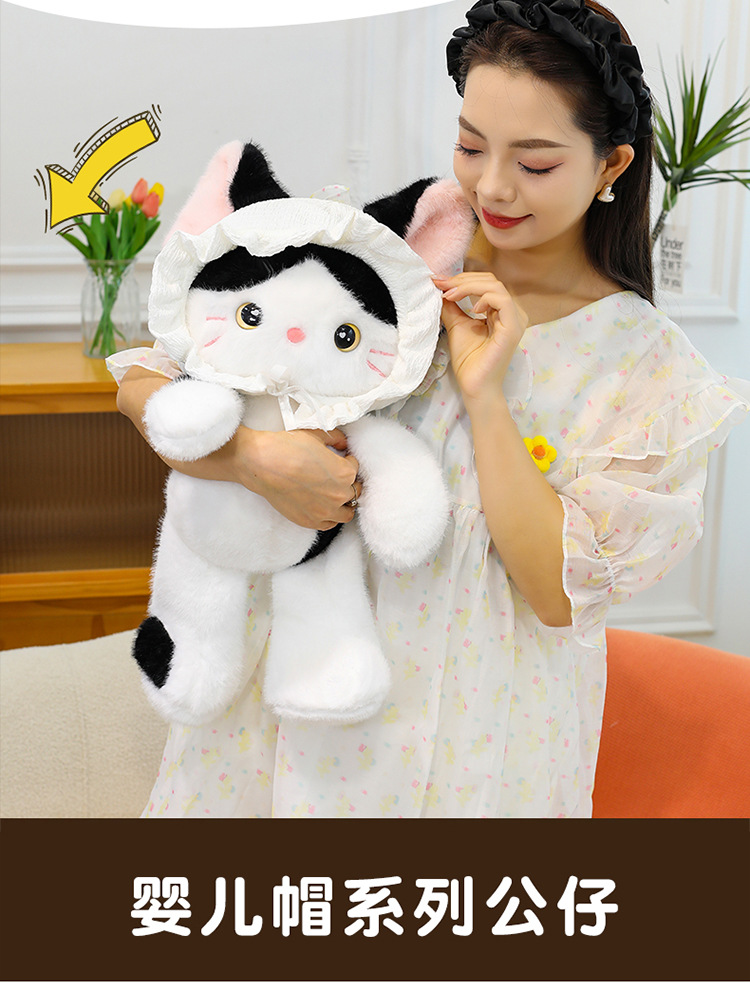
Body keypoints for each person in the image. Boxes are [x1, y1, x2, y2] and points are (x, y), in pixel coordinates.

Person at [114, 0, 749, 817]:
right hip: (278, 722)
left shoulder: (646, 368)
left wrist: (486, 399)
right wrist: (253, 461)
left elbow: (556, 594)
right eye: (471, 145)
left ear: (610, 165)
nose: (492, 186)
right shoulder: (390, 260)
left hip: (478, 744)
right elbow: (145, 378)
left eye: (536, 163)